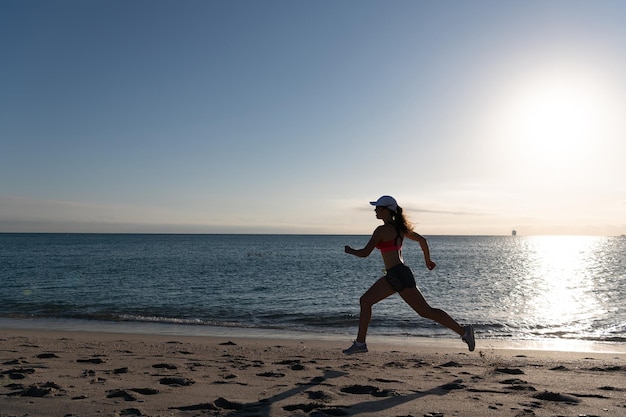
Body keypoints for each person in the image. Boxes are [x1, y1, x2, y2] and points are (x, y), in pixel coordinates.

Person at [343, 195, 475, 354]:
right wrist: (428, 260)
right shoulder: (400, 229)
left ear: (386, 210)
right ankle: (360, 343)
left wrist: (350, 251)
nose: (375, 210)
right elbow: (422, 241)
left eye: (377, 207)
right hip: (396, 274)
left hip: (399, 275)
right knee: (365, 301)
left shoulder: (382, 231)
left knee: (426, 311)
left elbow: (365, 253)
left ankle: (464, 331)